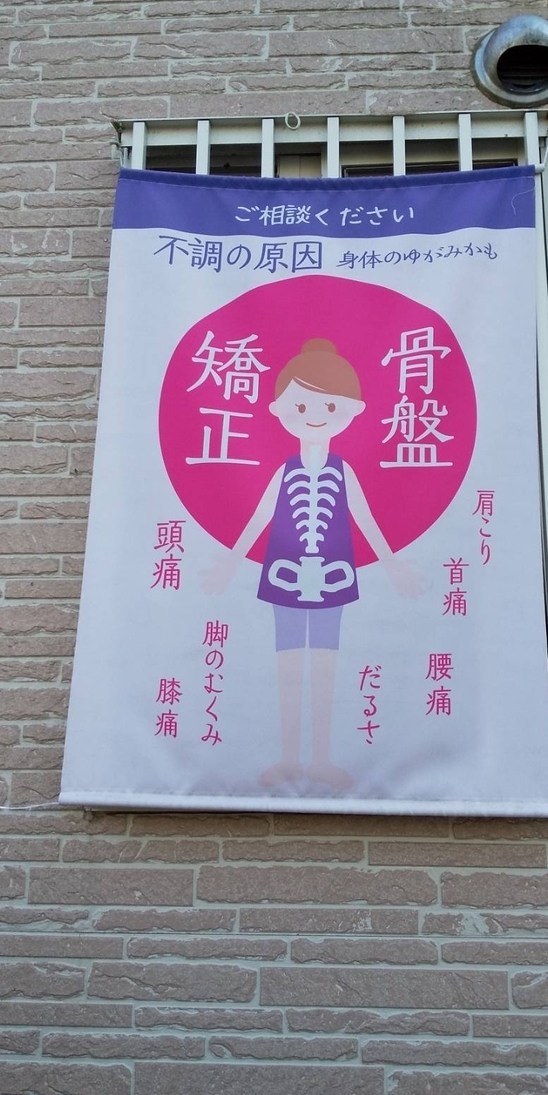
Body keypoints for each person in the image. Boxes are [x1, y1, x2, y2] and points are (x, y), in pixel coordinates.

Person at [203, 338, 418, 791]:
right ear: (279, 410)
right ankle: (287, 758)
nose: (315, 415)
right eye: (301, 405)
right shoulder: (284, 471)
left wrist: (395, 567)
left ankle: (320, 759)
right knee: (287, 665)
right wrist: (228, 564)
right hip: (283, 573)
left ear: (352, 411)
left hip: (334, 576)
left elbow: (365, 518)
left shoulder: (343, 471)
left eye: (329, 405)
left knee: (324, 664)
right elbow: (261, 516)